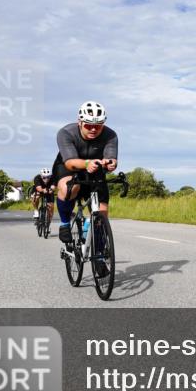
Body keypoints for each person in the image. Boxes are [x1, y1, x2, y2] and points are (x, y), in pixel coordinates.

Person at [53, 102, 118, 272]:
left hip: (95, 169)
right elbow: (70, 162)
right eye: (89, 125)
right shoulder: (66, 133)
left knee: (101, 213)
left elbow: (112, 159)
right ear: (80, 122)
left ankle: (100, 257)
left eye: (98, 126)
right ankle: (65, 224)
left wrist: (110, 164)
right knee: (69, 189)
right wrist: (87, 163)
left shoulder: (111, 135)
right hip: (68, 166)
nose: (93, 129)